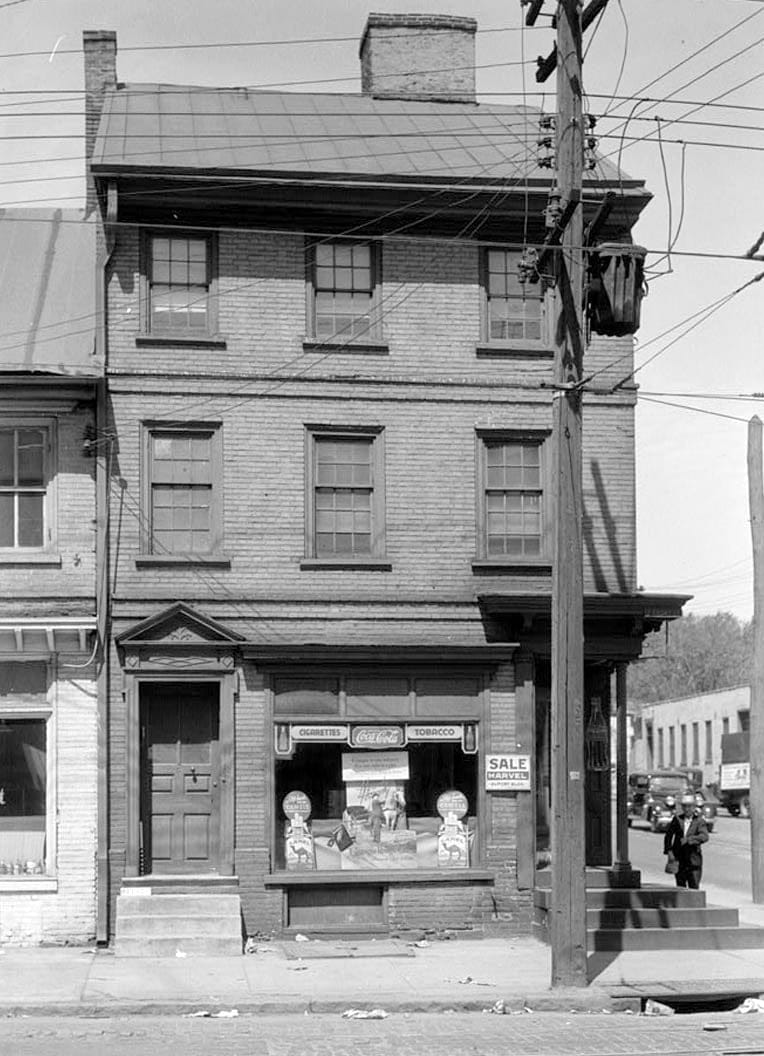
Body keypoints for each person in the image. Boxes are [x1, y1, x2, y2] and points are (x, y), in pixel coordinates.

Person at [663, 791, 709, 889]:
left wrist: (689, 840)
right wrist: (669, 851)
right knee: (680, 886)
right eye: (685, 806)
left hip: (693, 860)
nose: (687, 809)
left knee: (694, 886)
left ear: (694, 807)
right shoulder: (677, 820)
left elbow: (704, 836)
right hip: (679, 859)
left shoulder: (699, 821)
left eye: (689, 806)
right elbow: (668, 837)